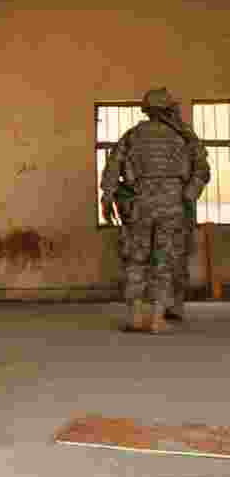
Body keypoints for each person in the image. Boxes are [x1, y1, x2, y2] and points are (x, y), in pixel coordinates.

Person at [100, 87, 210, 333]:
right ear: (169, 109)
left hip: (140, 204)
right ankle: (158, 319)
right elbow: (202, 170)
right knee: (165, 259)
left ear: (147, 110)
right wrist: (187, 196)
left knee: (135, 259)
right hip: (173, 206)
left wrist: (107, 197)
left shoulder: (132, 136)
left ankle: (136, 316)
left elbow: (112, 167)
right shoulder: (184, 137)